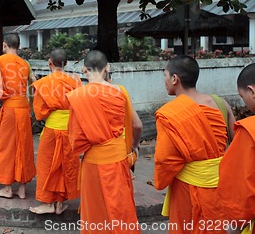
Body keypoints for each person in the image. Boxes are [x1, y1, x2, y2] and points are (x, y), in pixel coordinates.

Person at [154, 55, 235, 234]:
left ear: (175, 79)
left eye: (165, 76)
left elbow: (165, 159)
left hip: (186, 188)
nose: (164, 81)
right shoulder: (221, 104)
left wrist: (159, 181)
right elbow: (236, 146)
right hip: (218, 186)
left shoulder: (170, 113)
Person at [66, 50, 142, 234]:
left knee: (95, 211)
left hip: (92, 162)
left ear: (84, 69)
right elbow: (137, 126)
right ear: (107, 68)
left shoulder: (78, 96)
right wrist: (133, 147)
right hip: (117, 158)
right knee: (120, 209)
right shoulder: (120, 91)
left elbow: (75, 138)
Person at [29, 48, 81, 215]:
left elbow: (39, 113)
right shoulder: (76, 82)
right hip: (70, 131)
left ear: (49, 63)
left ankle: (47, 203)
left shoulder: (43, 83)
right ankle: (60, 203)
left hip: (52, 129)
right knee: (66, 165)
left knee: (47, 165)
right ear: (66, 63)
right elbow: (80, 107)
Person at [0, 33, 36, 199]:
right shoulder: (25, 64)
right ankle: (22, 189)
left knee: (7, 146)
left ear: (4, 45)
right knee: (24, 146)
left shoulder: (0, 61)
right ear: (18, 46)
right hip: (23, 108)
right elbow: (33, 85)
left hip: (10, 107)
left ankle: (7, 187)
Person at [217, 63, 255, 234]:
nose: (244, 102)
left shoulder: (250, 130)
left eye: (242, 96)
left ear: (252, 91)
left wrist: (235, 224)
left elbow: (239, 186)